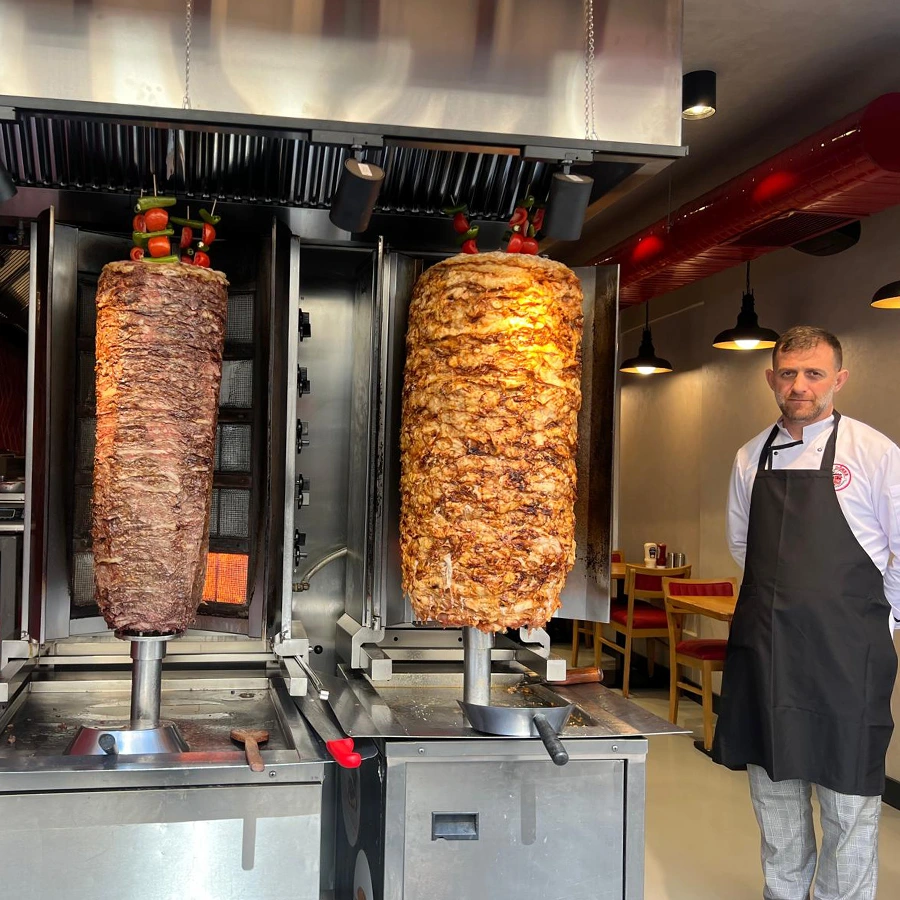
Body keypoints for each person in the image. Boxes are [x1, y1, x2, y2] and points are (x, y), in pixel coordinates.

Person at [713, 325, 900, 900]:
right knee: (775, 794)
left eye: (814, 373)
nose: (800, 386)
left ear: (838, 379)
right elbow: (743, 545)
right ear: (771, 379)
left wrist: (882, 622)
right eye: (789, 374)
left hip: (847, 653)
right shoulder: (750, 456)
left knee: (848, 797)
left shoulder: (873, 453)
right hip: (768, 651)